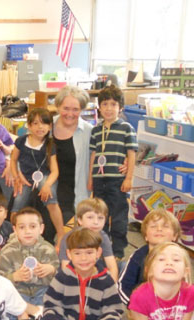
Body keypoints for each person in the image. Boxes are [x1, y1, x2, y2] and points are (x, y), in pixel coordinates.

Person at [40, 228, 125, 320]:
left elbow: (112, 308)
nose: (83, 258)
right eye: (77, 253)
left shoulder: (106, 279)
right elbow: (51, 302)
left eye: (89, 252)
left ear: (98, 253)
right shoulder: (63, 276)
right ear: (69, 254)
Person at [88, 85, 137, 259]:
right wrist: (90, 178)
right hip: (100, 180)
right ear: (99, 107)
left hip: (118, 180)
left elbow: (131, 154)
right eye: (105, 104)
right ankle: (102, 246)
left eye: (113, 104)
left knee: (118, 217)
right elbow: (93, 155)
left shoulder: (126, 128)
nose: (109, 108)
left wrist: (129, 178)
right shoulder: (95, 130)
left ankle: (117, 251)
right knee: (100, 215)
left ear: (120, 107)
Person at [11, 108, 65, 242]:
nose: (40, 127)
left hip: (45, 177)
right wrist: (17, 176)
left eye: (44, 123)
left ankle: (61, 234)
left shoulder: (49, 145)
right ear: (28, 126)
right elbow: (13, 160)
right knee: (17, 205)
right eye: (35, 123)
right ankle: (13, 235)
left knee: (51, 201)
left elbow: (55, 171)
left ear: (50, 126)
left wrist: (47, 185)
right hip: (24, 178)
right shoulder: (21, 141)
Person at [0, 207, 59, 313]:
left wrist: (52, 270)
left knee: (53, 307)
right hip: (18, 293)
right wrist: (14, 277)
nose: (27, 231)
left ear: (41, 228)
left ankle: (42, 317)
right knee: (10, 306)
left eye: (33, 226)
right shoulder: (7, 251)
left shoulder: (48, 249)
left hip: (43, 291)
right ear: (15, 230)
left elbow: (61, 277)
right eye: (22, 227)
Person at [118, 209, 180, 306]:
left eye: (165, 226)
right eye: (153, 226)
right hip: (140, 305)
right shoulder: (138, 256)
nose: (159, 229)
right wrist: (134, 306)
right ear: (146, 236)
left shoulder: (180, 259)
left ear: (175, 236)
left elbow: (185, 291)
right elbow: (123, 286)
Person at [52, 86, 93, 224]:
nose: (70, 113)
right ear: (58, 107)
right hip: (45, 186)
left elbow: (104, 153)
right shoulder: (46, 126)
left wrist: (125, 164)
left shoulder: (89, 131)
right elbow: (25, 147)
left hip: (72, 191)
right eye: (66, 108)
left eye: (75, 109)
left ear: (82, 109)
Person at [58, 198, 118, 281]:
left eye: (100, 218)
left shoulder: (103, 236)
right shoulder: (69, 238)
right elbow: (66, 267)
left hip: (94, 270)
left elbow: (111, 265)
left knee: (122, 265)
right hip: (74, 274)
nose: (96, 222)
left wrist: (112, 288)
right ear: (80, 220)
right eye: (90, 217)